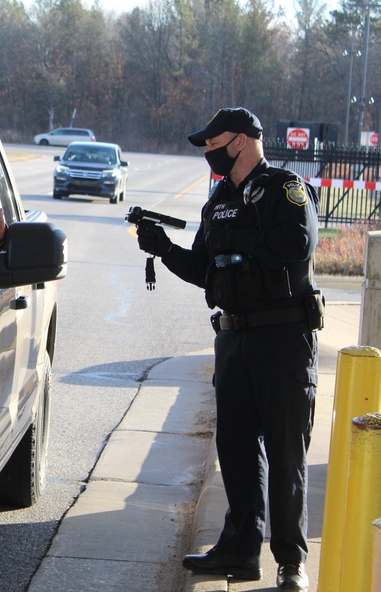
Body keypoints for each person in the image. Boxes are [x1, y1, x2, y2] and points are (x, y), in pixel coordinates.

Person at [136, 108, 320, 592]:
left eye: (211, 144)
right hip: (235, 338)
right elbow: (204, 268)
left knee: (285, 451)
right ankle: (239, 550)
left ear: (239, 141)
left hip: (284, 339)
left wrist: (236, 235)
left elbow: (297, 243)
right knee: (236, 448)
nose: (206, 153)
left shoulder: (284, 188)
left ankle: (291, 562)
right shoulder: (217, 201)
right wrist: (165, 249)